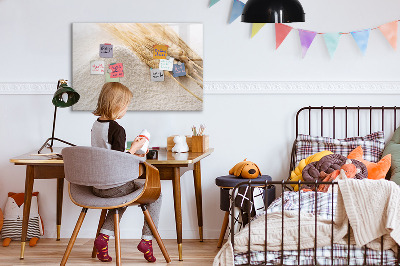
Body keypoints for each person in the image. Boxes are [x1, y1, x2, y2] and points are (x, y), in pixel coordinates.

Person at [91, 82, 161, 263]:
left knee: (121, 198)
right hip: (114, 186)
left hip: (97, 186)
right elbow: (119, 161)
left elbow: (108, 154)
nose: (126, 109)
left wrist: (131, 149)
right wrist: (136, 148)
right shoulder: (117, 129)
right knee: (156, 194)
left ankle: (103, 238)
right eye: (126, 105)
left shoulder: (96, 125)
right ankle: (147, 240)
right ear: (117, 105)